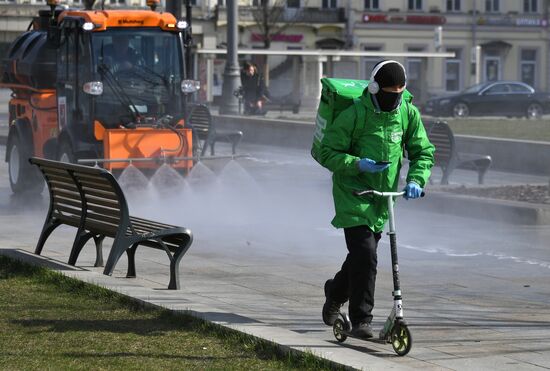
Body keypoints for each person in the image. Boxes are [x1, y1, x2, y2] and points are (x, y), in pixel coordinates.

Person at [317, 60, 435, 339]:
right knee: (366, 254)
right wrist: (358, 164)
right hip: (353, 193)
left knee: (361, 256)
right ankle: (362, 320)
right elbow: (327, 152)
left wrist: (417, 179)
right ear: (374, 88)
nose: (393, 98)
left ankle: (335, 292)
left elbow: (423, 152)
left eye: (398, 92)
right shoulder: (355, 114)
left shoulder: (407, 112)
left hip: (383, 199)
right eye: (388, 92)